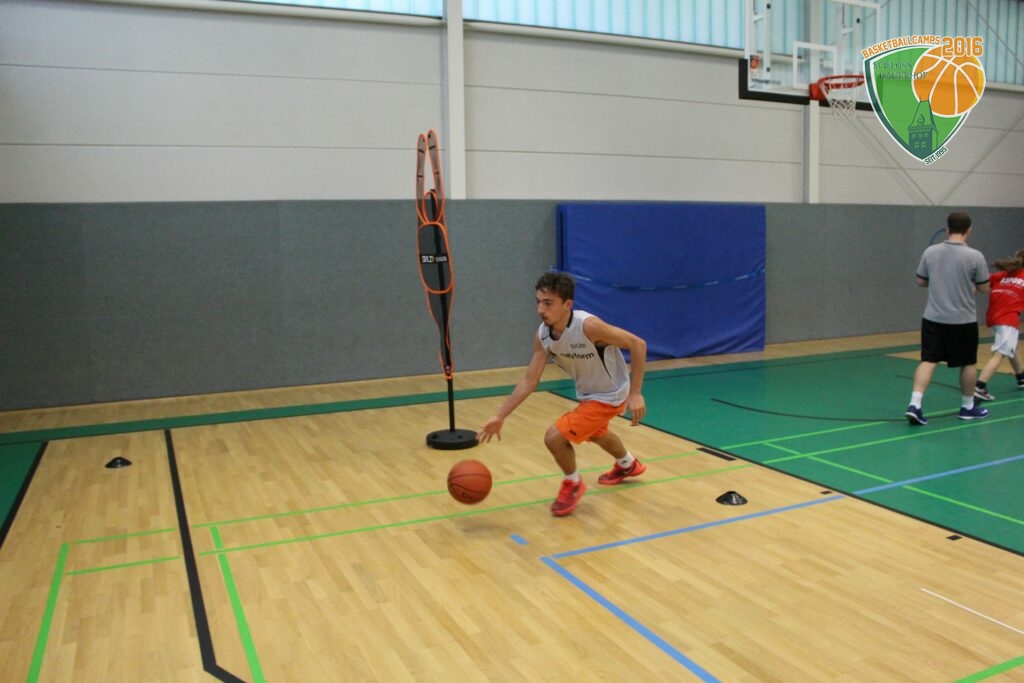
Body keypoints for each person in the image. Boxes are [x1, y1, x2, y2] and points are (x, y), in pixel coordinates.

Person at [476, 272, 648, 516]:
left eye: (548, 303)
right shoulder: (543, 335)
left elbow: (638, 344)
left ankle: (573, 483)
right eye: (538, 302)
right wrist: (500, 416)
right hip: (588, 393)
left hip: (610, 394)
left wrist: (636, 393)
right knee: (597, 433)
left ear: (567, 304)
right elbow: (529, 381)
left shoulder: (588, 326)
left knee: (554, 438)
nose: (540, 309)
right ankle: (628, 464)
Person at [905, 212, 990, 425]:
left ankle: (915, 405)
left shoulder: (930, 252)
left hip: (933, 319)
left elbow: (920, 281)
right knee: (968, 363)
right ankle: (967, 407)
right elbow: (984, 287)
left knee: (928, 360)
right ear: (969, 230)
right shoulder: (975, 256)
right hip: (963, 321)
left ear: (948, 228)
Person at [973, 248, 1024, 401]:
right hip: (1008, 319)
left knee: (1012, 346)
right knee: (1000, 353)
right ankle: (979, 387)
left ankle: (1021, 378)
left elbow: (979, 284)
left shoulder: (1001, 275)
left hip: (993, 318)